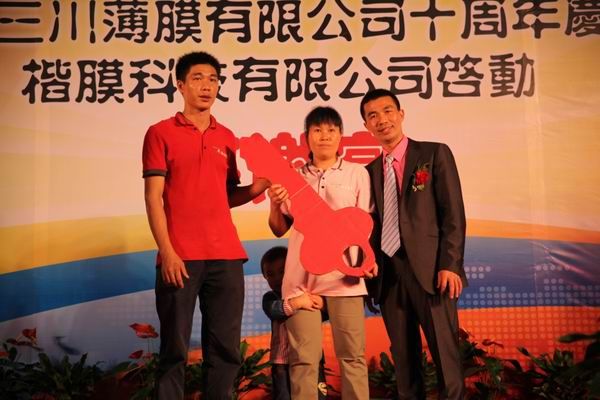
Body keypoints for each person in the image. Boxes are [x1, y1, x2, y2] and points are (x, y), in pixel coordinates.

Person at [142, 51, 269, 400]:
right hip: (180, 257)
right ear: (180, 85)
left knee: (225, 350)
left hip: (226, 256)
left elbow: (225, 196)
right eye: (197, 78)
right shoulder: (160, 133)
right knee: (174, 350)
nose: (206, 86)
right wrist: (167, 251)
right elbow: (153, 197)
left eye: (213, 79)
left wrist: (257, 188)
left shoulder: (226, 136)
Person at [360, 88, 468, 400]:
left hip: (432, 273)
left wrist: (450, 264)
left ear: (401, 114)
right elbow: (369, 227)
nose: (382, 120)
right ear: (366, 126)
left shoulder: (433, 154)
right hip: (389, 276)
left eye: (387, 111)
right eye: (373, 116)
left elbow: (453, 214)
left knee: (446, 358)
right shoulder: (368, 172)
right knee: (405, 365)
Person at [268, 106, 371, 400]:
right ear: (306, 137)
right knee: (303, 360)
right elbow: (278, 228)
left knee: (352, 356)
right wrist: (274, 203)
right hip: (301, 280)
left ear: (341, 136)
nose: (324, 136)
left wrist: (365, 262)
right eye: (317, 130)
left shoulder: (357, 173)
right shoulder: (292, 177)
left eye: (331, 130)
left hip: (345, 277)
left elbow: (364, 224)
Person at [260, 246, 328, 400]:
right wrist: (297, 303)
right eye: (270, 274)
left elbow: (323, 315)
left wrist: (322, 304)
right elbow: (274, 310)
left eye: (282, 271)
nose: (277, 278)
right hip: (282, 362)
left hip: (310, 359)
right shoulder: (270, 297)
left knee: (315, 393)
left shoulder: (306, 293)